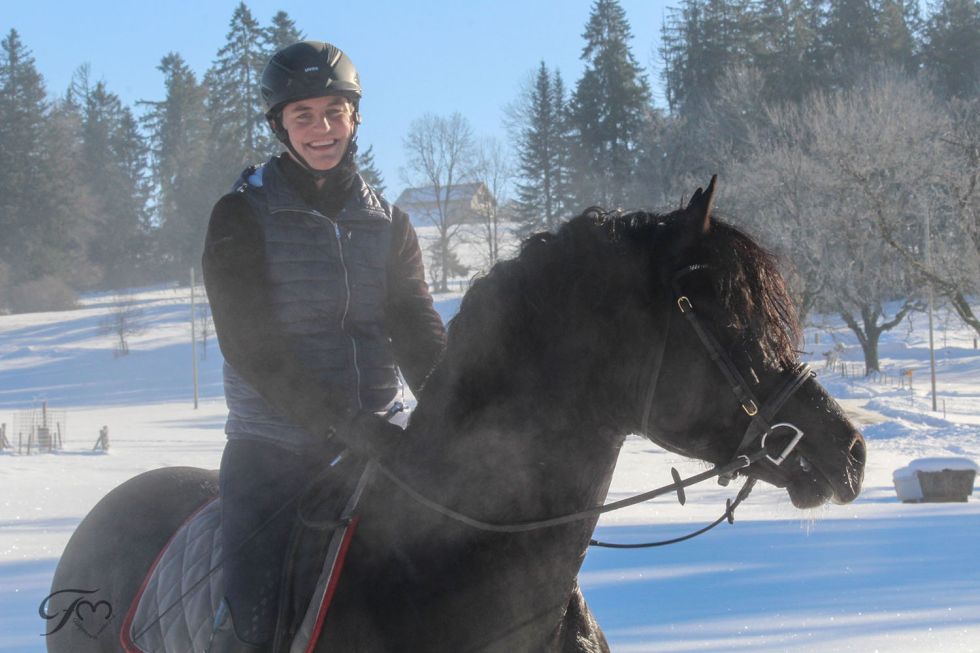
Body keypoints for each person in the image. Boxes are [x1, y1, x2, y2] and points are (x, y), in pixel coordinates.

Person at [201, 40, 446, 652]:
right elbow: (250, 346)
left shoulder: (389, 222)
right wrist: (344, 424)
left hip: (385, 442)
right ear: (279, 124)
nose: (322, 128)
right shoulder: (240, 214)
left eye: (335, 111)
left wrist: (454, 404)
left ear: (355, 118)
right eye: (303, 114)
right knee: (256, 626)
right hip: (273, 451)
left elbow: (414, 324)